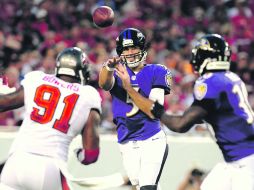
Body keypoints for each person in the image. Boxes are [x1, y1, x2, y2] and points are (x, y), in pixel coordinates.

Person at [116, 33, 254, 190]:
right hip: (235, 160)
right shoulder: (231, 78)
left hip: (245, 161)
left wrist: (157, 111)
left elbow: (181, 125)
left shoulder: (211, 81)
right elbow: (212, 115)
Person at [0, 47, 102, 190]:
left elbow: (4, 103)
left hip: (15, 162)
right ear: (82, 70)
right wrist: (80, 155)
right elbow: (90, 155)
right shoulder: (88, 95)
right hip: (49, 167)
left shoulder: (36, 78)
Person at [98, 27, 171, 190]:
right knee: (140, 187)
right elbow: (103, 83)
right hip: (126, 140)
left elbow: (155, 111)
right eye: (126, 48)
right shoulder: (117, 72)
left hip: (151, 138)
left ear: (142, 48)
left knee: (147, 187)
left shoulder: (157, 71)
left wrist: (129, 88)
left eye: (134, 47)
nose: (130, 52)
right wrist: (108, 68)